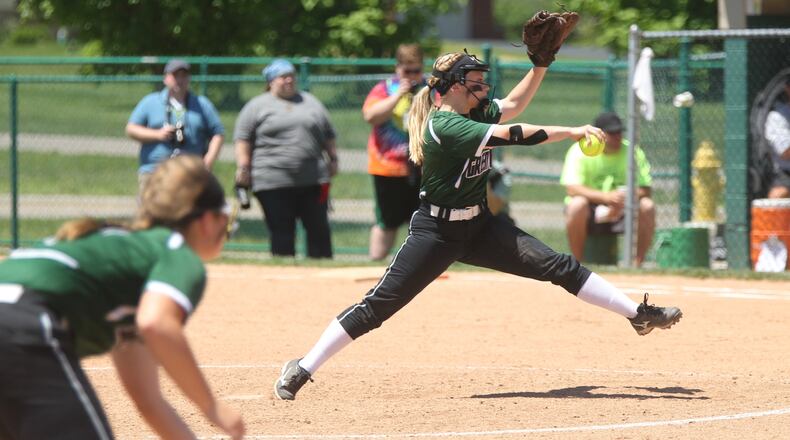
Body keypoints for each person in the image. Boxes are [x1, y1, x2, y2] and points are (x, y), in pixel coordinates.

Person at [273, 50, 682, 401]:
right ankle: (304, 366)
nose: (483, 90)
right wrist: (572, 132)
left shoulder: (472, 110)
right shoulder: (447, 125)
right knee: (379, 306)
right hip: (436, 233)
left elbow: (514, 106)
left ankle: (638, 314)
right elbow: (515, 133)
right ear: (450, 87)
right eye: (473, 83)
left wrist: (540, 65)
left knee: (559, 266)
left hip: (481, 227)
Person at [0, 155, 244, 439]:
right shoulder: (175, 250)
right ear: (204, 220)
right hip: (26, 324)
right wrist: (211, 406)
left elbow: (149, 401)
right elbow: (157, 322)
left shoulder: (124, 265)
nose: (226, 229)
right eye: (223, 219)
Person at [234, 58, 338, 259]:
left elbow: (328, 134)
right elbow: (243, 139)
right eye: (283, 77)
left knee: (319, 229)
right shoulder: (257, 106)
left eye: (292, 76)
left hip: (314, 179)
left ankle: (322, 271)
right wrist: (243, 167)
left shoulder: (311, 102)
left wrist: (333, 159)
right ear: (271, 81)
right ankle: (284, 274)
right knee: (281, 230)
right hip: (272, 179)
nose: (289, 80)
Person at [559, 111, 656, 267]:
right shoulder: (579, 151)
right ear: (598, 134)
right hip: (591, 207)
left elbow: (645, 190)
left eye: (619, 132)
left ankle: (637, 264)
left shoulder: (632, 151)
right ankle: (577, 265)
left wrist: (624, 198)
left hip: (624, 208)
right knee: (577, 204)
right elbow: (572, 188)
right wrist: (606, 198)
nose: (617, 136)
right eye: (611, 133)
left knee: (647, 205)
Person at [363, 43, 426, 260]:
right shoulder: (385, 89)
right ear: (397, 68)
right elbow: (371, 116)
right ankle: (376, 262)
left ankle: (418, 266)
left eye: (416, 71)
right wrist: (398, 95)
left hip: (422, 168)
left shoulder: (431, 90)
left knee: (422, 221)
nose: (412, 76)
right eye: (407, 71)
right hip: (388, 167)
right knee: (387, 221)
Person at [126, 59, 225, 192]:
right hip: (155, 171)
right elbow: (131, 129)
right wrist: (158, 134)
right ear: (165, 78)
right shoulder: (150, 102)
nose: (179, 80)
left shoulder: (202, 104)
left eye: (183, 76)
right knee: (155, 212)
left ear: (189, 79)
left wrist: (208, 161)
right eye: (175, 75)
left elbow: (218, 133)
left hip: (191, 171)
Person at [764, 79, 790, 198]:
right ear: (787, 89)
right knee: (779, 195)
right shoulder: (777, 116)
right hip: (786, 174)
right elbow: (785, 152)